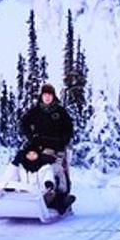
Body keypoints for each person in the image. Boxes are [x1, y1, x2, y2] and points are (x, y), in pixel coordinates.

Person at [17, 83, 75, 212]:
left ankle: (61, 198)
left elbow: (69, 129)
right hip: (39, 147)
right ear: (41, 96)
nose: (47, 97)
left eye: (49, 95)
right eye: (45, 95)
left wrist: (63, 141)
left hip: (57, 148)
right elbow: (23, 123)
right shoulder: (35, 110)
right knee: (30, 167)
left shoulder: (60, 112)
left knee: (58, 171)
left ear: (53, 96)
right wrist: (31, 137)